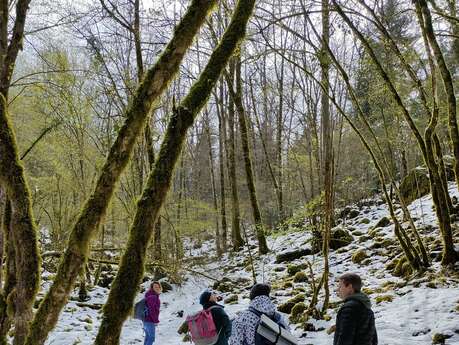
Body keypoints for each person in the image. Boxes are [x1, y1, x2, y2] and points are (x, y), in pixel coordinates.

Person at [334, 273, 378, 345]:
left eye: (340, 286)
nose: (338, 290)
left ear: (350, 287)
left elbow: (345, 339)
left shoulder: (349, 308)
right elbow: (374, 339)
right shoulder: (366, 306)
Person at [144, 281, 162, 345]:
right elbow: (152, 310)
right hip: (150, 320)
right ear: (152, 288)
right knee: (151, 338)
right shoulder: (153, 297)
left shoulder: (150, 295)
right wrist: (155, 320)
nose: (157, 288)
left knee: (148, 337)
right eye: (155, 287)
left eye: (158, 286)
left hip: (146, 319)